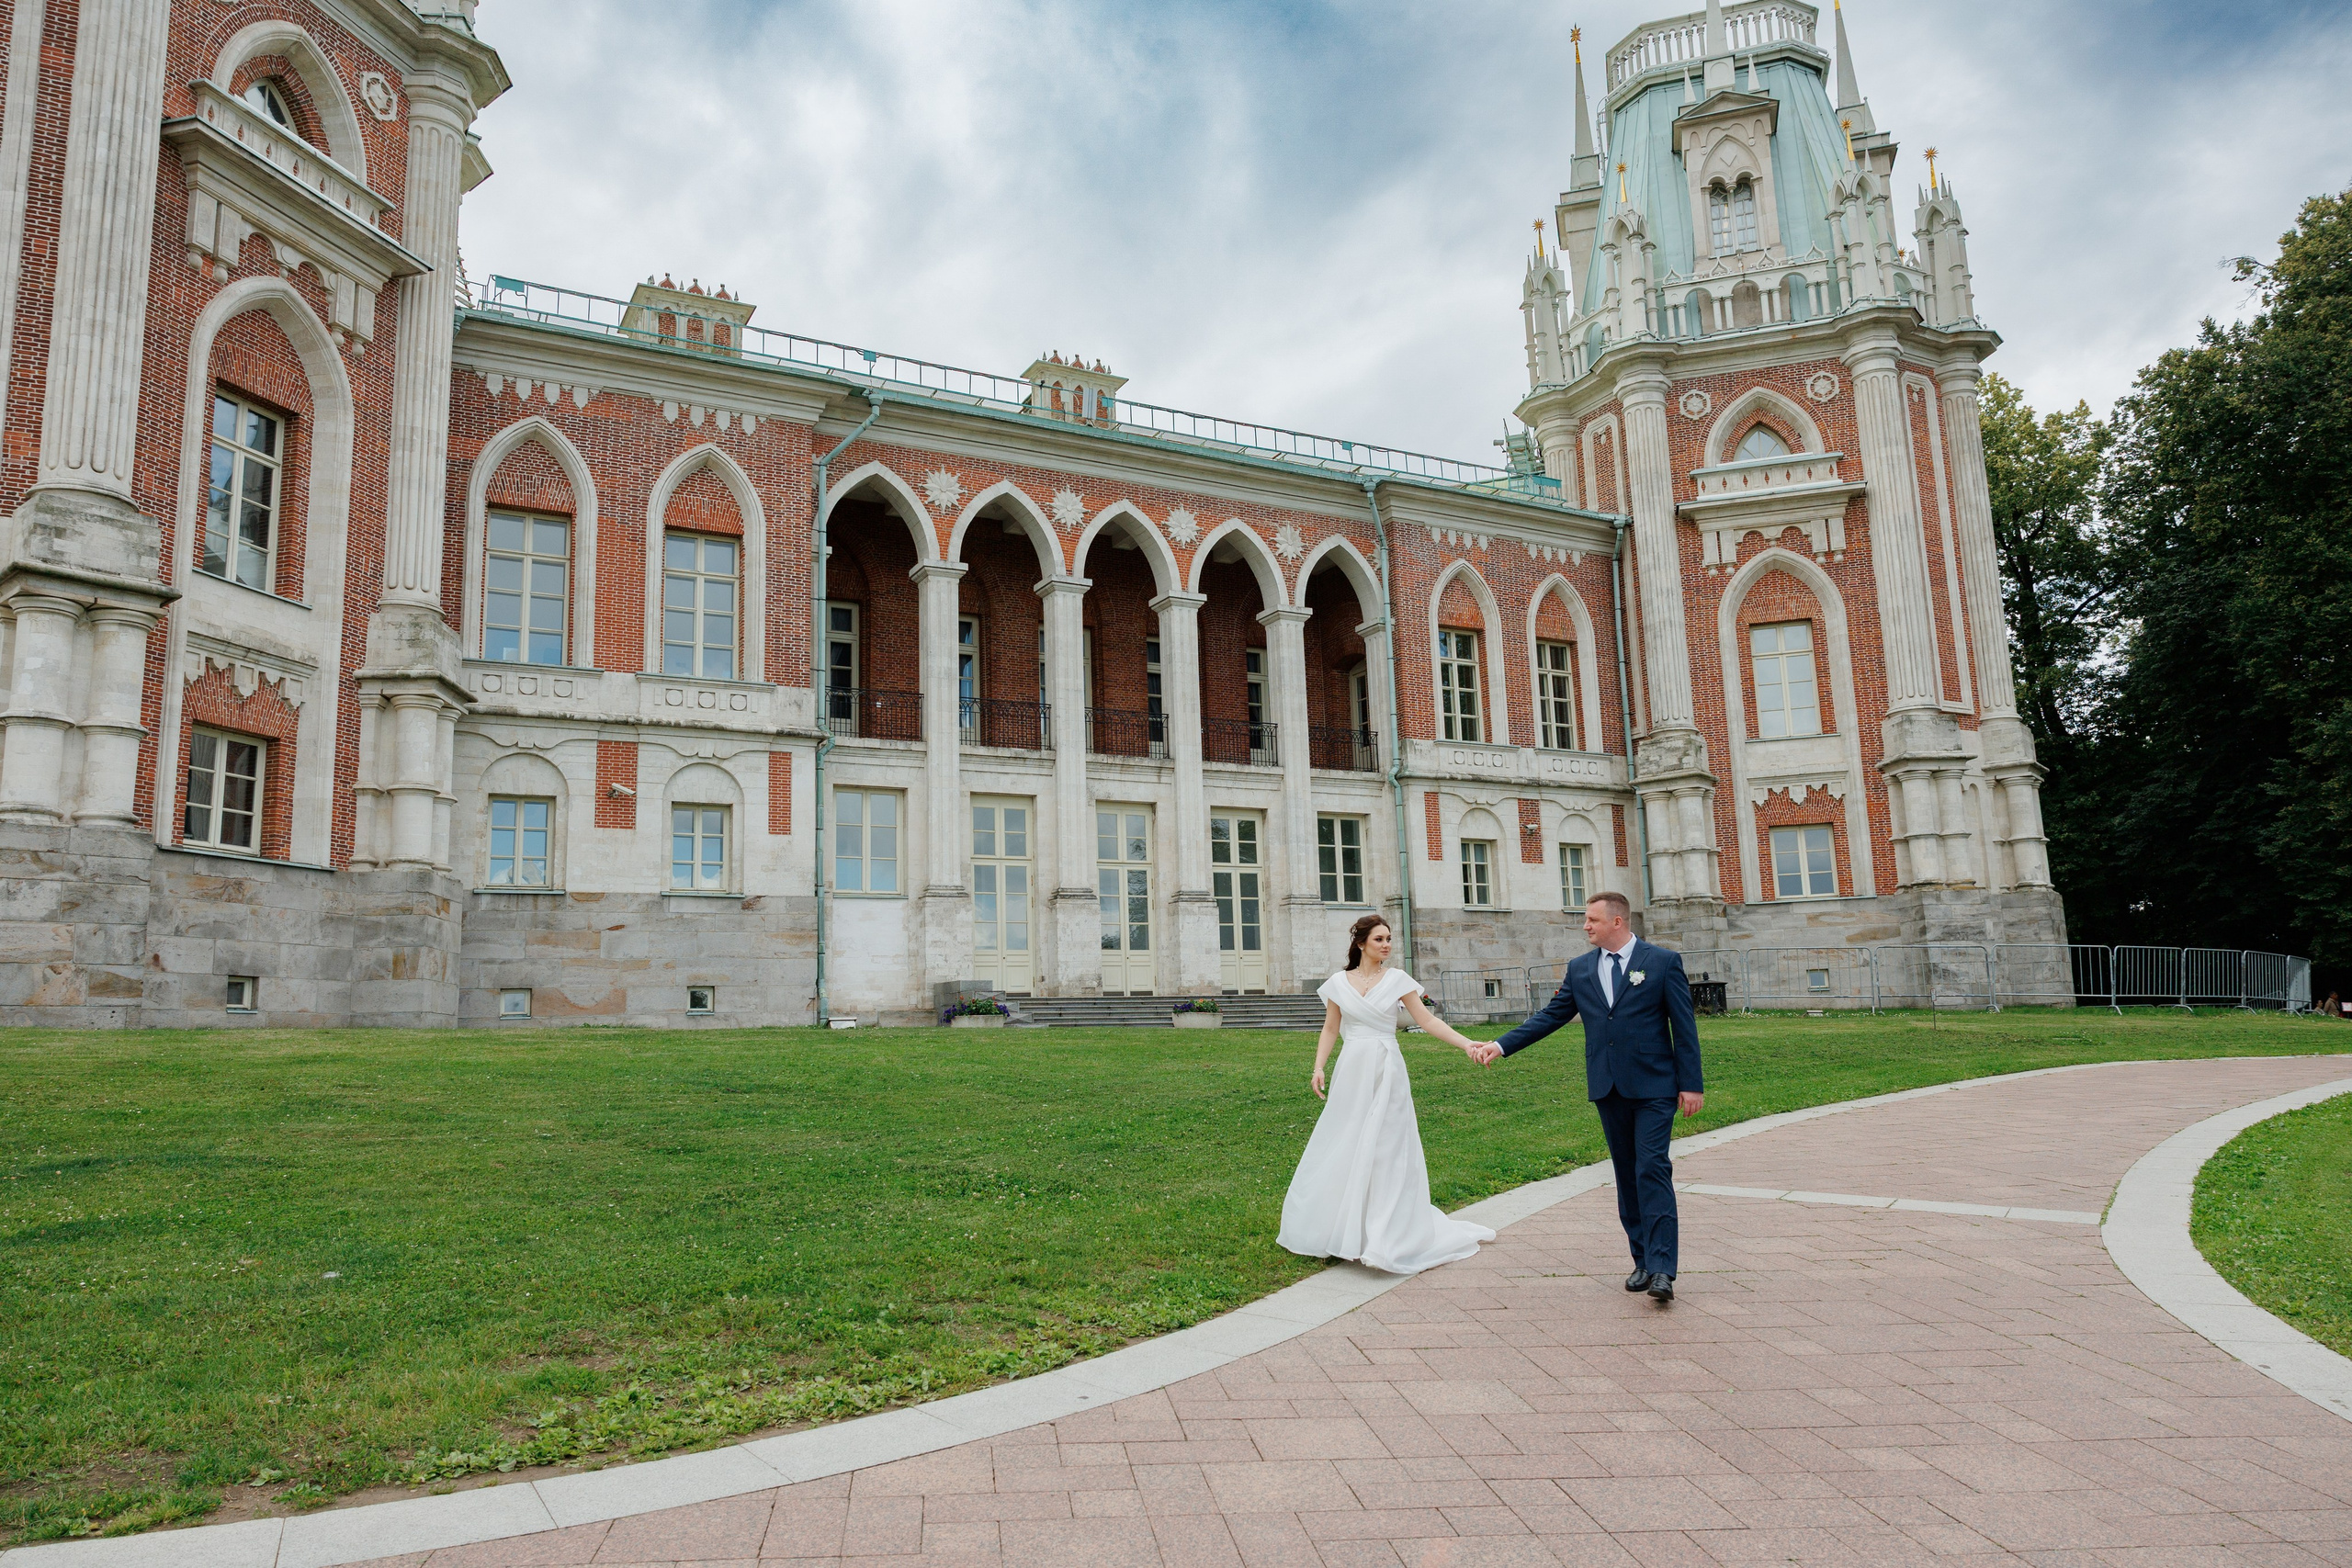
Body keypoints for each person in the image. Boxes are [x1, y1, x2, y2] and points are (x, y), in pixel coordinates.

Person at [1476, 891, 1702, 1303]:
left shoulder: (1662, 962)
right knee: (1627, 1174)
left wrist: (1692, 1084)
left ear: (1617, 921)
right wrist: (1502, 1044)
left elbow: (1684, 1028)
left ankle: (1664, 1268)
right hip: (1607, 1086)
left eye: (1592, 920)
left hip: (1655, 1085)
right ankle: (1642, 1262)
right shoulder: (1581, 969)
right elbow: (1551, 1015)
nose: (1585, 926)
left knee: (1652, 1168)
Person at [1277, 914, 1498, 1274]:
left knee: (1387, 1147)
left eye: (1389, 939)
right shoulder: (1338, 982)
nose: (1386, 945)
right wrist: (1319, 1067)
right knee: (1345, 1139)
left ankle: (1384, 1234)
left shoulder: (1397, 980)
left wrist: (1465, 1043)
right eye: (1379, 939)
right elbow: (1331, 1027)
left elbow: (1427, 1021)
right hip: (1352, 1069)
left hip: (1386, 1067)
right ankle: (1336, 1227)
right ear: (1361, 943)